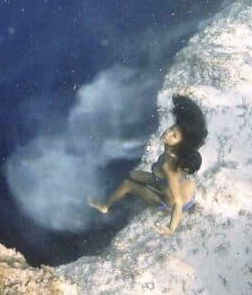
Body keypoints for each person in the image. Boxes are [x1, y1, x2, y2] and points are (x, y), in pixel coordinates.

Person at [87, 94, 207, 235]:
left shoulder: (169, 167)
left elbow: (178, 202)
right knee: (133, 174)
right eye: (171, 129)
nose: (168, 133)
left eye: (174, 136)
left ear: (179, 144)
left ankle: (104, 206)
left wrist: (170, 229)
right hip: (174, 186)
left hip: (171, 199)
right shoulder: (174, 150)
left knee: (127, 184)